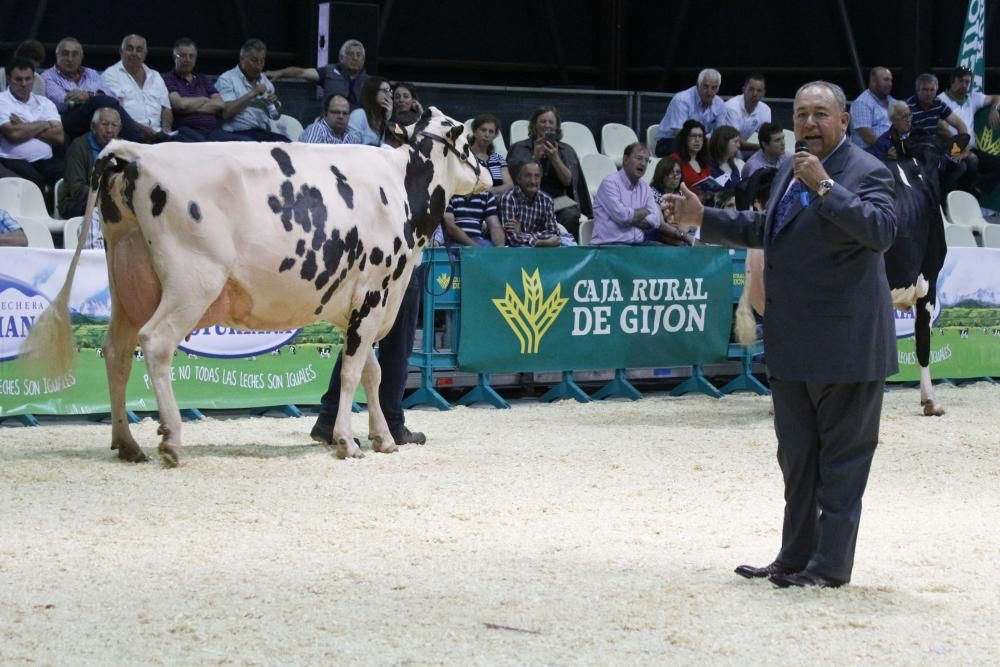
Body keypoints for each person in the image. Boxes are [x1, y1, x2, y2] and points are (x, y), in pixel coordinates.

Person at [664, 80, 897, 589]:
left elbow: (881, 232)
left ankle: (830, 567)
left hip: (847, 347)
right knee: (797, 460)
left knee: (841, 464)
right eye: (800, 115)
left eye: (820, 114)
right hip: (793, 343)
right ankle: (794, 558)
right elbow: (763, 232)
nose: (808, 124)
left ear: (843, 122)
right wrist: (703, 218)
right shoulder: (788, 175)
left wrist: (825, 187)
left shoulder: (865, 171)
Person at [310, 72, 424, 449]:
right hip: (391, 260)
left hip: (378, 257)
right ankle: (391, 420)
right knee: (393, 342)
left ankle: (330, 417)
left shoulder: (382, 160)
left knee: (360, 337)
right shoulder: (394, 166)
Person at [506, 105, 592, 239]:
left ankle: (564, 247)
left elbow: (569, 181)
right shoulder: (519, 148)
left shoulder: (567, 150)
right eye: (543, 121)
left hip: (557, 202)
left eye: (551, 122)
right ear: (534, 125)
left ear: (557, 127)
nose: (547, 125)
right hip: (525, 201)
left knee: (571, 215)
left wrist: (555, 158)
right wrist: (535, 157)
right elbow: (514, 180)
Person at [40, 37, 146, 143]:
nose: (70, 58)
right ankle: (139, 140)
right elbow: (62, 102)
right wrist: (94, 98)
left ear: (81, 57)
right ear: (57, 55)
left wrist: (88, 96)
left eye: (75, 54)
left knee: (104, 105)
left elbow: (111, 97)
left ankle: (134, 142)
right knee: (100, 101)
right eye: (65, 54)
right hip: (68, 120)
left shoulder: (91, 73)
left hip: (95, 119)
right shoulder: (48, 76)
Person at [163, 38, 252, 143]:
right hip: (187, 130)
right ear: (174, 57)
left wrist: (189, 106)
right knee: (203, 146)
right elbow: (179, 105)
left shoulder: (203, 79)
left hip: (213, 131)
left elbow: (220, 104)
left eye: (191, 56)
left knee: (245, 142)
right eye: (182, 56)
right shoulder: (169, 78)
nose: (187, 59)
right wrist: (204, 99)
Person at [0, 58, 64, 193]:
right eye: (18, 79)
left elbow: (59, 137)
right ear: (8, 79)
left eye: (28, 79)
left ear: (33, 79)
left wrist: (24, 125)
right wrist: (45, 124)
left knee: (66, 174)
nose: (24, 84)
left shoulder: (45, 103)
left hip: (46, 159)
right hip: (13, 160)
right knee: (34, 182)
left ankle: (61, 213)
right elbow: (14, 134)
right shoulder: (2, 101)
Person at [937, 66, 1000, 194]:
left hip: (970, 149)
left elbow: (997, 97)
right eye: (961, 81)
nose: (964, 85)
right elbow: (942, 130)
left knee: (997, 165)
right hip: (950, 149)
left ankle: (976, 192)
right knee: (970, 163)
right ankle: (958, 198)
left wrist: (994, 108)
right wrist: (962, 149)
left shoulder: (972, 99)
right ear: (952, 82)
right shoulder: (940, 100)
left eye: (967, 82)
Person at [590, 142, 666, 245]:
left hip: (636, 245)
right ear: (626, 159)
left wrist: (631, 218)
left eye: (647, 160)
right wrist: (645, 211)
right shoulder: (610, 183)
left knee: (664, 252)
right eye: (639, 158)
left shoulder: (645, 187)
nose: (643, 163)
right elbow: (622, 216)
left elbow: (656, 220)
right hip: (611, 245)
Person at [216, 38, 289, 142]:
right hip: (236, 133)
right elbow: (225, 113)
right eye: (254, 60)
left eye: (262, 60)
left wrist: (275, 106)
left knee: (287, 144)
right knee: (251, 145)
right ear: (242, 60)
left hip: (261, 133)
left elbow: (275, 117)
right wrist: (252, 93)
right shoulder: (227, 79)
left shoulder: (266, 82)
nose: (259, 65)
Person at [100, 34, 172, 139]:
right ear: (121, 51)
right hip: (129, 133)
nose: (134, 53)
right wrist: (143, 130)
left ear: (145, 54)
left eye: (139, 50)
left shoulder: (155, 76)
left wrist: (166, 129)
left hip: (158, 134)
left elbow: (166, 108)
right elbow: (114, 112)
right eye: (129, 49)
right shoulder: (110, 75)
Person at [266, 39, 368, 110]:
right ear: (341, 58)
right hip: (330, 122)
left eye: (359, 55)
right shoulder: (329, 71)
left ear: (363, 60)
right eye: (351, 54)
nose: (355, 58)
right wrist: (280, 72)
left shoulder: (369, 82)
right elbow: (301, 72)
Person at [60, 107, 121, 219]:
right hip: (77, 204)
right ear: (93, 126)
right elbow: (76, 189)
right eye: (105, 124)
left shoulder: (122, 148)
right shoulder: (79, 147)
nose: (109, 130)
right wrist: (109, 194)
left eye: (114, 125)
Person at [654, 68, 725, 157]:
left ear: (718, 88)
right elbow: (679, 132)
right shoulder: (682, 99)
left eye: (714, 88)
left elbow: (720, 132)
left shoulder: (720, 104)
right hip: (670, 141)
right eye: (705, 86)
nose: (709, 92)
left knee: (724, 150)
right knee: (692, 152)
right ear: (698, 84)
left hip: (701, 143)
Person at [499, 160, 561, 247]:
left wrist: (524, 233)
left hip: (540, 251)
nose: (533, 181)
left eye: (537, 176)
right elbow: (512, 239)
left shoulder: (546, 200)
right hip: (516, 253)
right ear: (518, 179)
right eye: (528, 176)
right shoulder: (509, 199)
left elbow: (554, 233)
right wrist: (541, 243)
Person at [722, 73, 771, 155]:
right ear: (744, 90)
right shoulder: (732, 107)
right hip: (726, 147)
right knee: (736, 152)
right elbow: (734, 140)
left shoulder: (766, 110)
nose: (755, 94)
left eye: (759, 91)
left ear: (763, 93)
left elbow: (765, 137)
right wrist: (760, 146)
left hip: (748, 148)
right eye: (751, 89)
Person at [850, 66, 894, 148]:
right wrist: (889, 148)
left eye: (891, 80)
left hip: (894, 150)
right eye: (886, 80)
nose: (890, 84)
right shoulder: (862, 103)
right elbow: (868, 137)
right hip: (871, 152)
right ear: (873, 81)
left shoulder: (892, 101)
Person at [468, 113, 512, 194]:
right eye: (483, 130)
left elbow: (509, 184)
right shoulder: (465, 156)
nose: (487, 134)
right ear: (474, 132)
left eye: (491, 132)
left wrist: (489, 191)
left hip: (496, 201)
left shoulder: (498, 159)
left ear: (495, 136)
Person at [670, 119, 712, 198]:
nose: (697, 140)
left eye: (700, 136)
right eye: (693, 136)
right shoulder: (675, 160)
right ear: (685, 138)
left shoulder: (704, 161)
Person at [347, 76, 392, 145]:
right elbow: (352, 145)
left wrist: (387, 120)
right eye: (385, 91)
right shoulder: (359, 114)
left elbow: (388, 148)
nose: (389, 95)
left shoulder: (386, 117)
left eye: (390, 91)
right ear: (372, 92)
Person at [707, 124, 744, 206]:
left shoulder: (733, 166)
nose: (738, 145)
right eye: (735, 141)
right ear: (723, 142)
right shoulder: (708, 167)